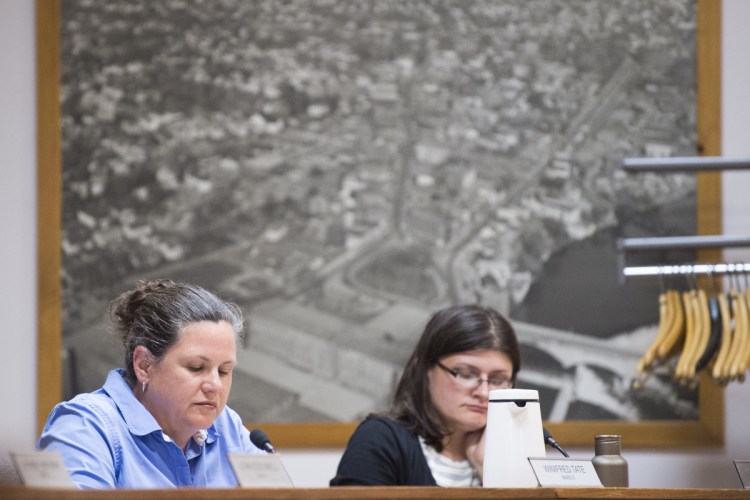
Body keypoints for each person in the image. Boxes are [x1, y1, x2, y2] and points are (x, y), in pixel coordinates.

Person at [38, 279, 264, 489]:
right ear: (144, 366)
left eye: (224, 371)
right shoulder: (85, 426)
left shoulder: (227, 427)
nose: (215, 385)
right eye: (196, 367)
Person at [330, 304, 520, 487]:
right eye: (465, 374)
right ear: (426, 369)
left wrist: (489, 473)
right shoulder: (381, 438)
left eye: (497, 380)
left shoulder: (514, 452)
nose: (484, 393)